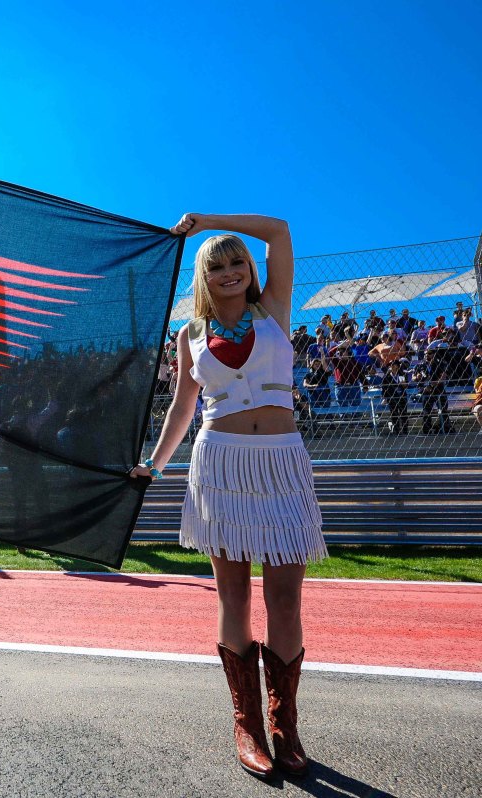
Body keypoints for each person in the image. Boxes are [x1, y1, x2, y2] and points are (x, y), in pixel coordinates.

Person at [135, 214, 324, 780]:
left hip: (284, 465)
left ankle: (285, 722)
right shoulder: (189, 334)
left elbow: (282, 232)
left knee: (285, 602)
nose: (229, 272)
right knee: (234, 600)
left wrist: (209, 224)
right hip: (219, 465)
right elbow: (182, 407)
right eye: (215, 265)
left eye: (236, 262)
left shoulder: (275, 309)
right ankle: (247, 722)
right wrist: (156, 464)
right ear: (203, 276)